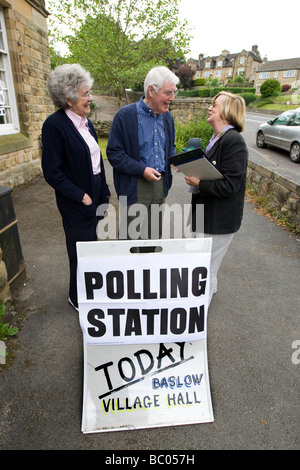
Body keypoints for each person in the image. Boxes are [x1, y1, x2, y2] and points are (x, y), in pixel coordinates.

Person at [42, 64, 110, 312]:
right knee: (79, 250)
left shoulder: (86, 122)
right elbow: (52, 172)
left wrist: (104, 191)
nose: (90, 98)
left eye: (89, 93)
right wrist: (81, 196)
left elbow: (96, 162)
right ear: (69, 99)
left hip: (96, 192)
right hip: (76, 199)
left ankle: (92, 290)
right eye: (85, 94)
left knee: (94, 247)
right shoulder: (54, 125)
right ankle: (76, 296)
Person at [185, 91, 248, 304]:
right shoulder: (217, 139)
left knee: (205, 270)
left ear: (228, 112)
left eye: (216, 105)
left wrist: (198, 182)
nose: (210, 108)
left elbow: (230, 186)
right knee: (198, 265)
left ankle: (198, 316)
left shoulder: (233, 141)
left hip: (219, 220)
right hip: (205, 215)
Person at [106, 65, 179, 242]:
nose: (172, 98)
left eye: (174, 93)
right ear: (151, 90)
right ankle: (126, 269)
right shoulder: (125, 115)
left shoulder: (167, 117)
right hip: (135, 185)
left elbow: (170, 147)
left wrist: (180, 160)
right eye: (168, 93)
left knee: (153, 237)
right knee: (130, 238)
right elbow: (114, 153)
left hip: (160, 185)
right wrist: (141, 170)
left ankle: (148, 269)